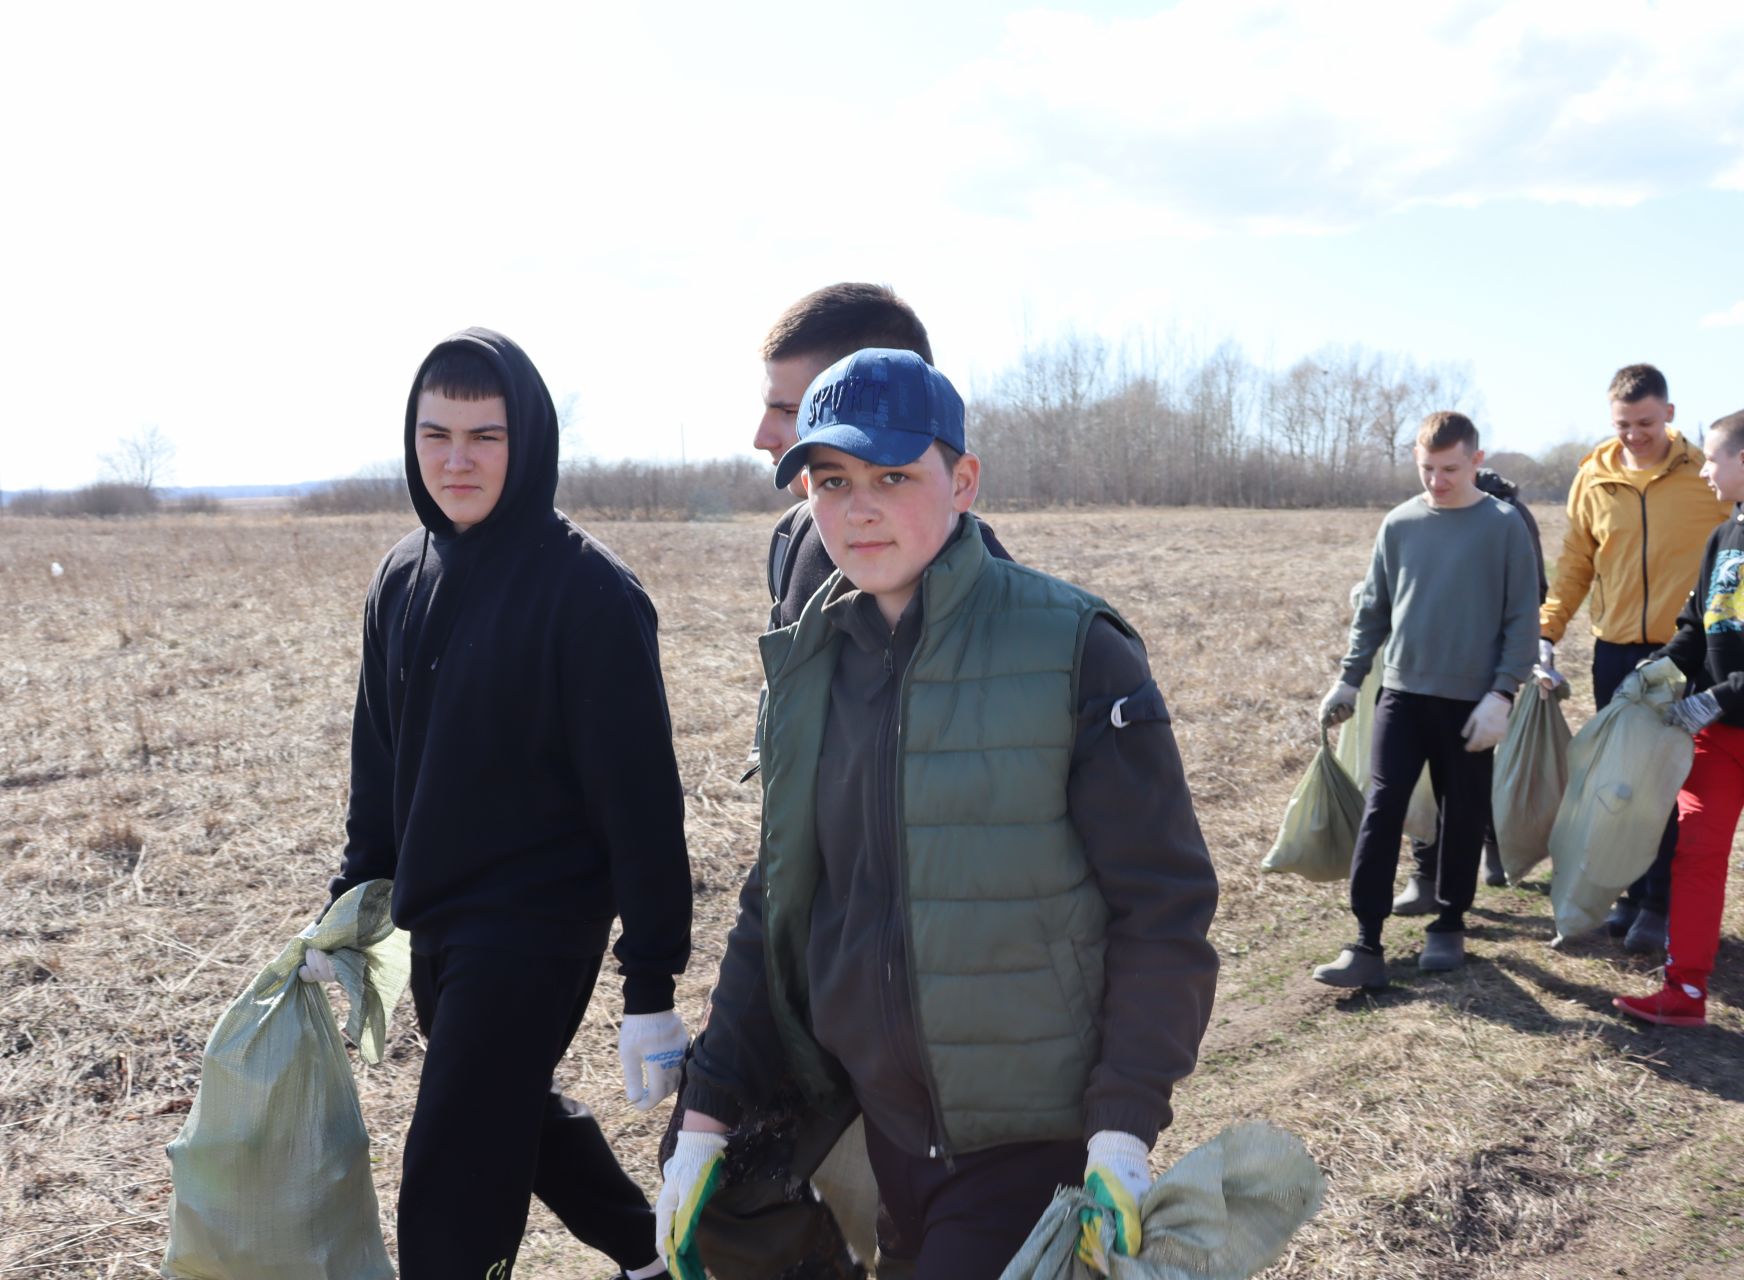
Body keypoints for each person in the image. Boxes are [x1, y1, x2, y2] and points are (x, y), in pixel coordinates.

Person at [658, 349, 1220, 1278]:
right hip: (885, 1139)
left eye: (891, 477)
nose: (858, 508)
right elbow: (781, 902)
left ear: (962, 481)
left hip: (1031, 1146)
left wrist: (1123, 1127)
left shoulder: (1077, 650)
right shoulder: (811, 670)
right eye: (830, 481)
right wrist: (705, 1118)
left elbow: (1162, 906)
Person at [304, 329, 693, 1279]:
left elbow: (643, 801)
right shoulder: (403, 574)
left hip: (538, 925)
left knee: (452, 1168)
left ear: (530, 442)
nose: (456, 460)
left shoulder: (588, 593)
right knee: (506, 1106)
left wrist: (651, 985)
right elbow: (381, 756)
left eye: (485, 435)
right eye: (435, 435)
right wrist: (352, 899)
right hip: (439, 915)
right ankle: (655, 1257)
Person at [665, 282, 1013, 1280]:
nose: (763, 429)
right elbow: (793, 843)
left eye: (788, 404)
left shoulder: (1001, 620)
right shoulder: (800, 543)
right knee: (724, 1186)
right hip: (820, 957)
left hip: (944, 1017)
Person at [1315, 411, 1540, 988]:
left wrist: (1503, 693)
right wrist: (1348, 678)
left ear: (1476, 461)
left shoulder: (1503, 524)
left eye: (1450, 469)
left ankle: (1450, 922)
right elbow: (1374, 611)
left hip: (1471, 702)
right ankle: (1366, 942)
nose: (1437, 481)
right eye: (1427, 469)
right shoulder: (1399, 524)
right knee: (1382, 808)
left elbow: (1521, 619)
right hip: (1403, 694)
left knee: (1463, 811)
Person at [1538, 364, 1728, 951]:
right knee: (1619, 783)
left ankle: (1661, 904)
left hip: (1685, 652)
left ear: (1669, 414)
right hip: (1615, 649)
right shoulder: (1592, 477)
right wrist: (1547, 629)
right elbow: (1575, 561)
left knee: (1668, 780)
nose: (1634, 434)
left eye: (1645, 421)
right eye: (1623, 423)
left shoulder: (1708, 473)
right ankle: (1628, 892)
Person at [1614, 408, 1744, 1027]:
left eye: (1714, 458)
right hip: (1719, 739)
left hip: (1721, 710)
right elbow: (1694, 631)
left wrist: (1720, 695)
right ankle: (1685, 991)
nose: (1706, 471)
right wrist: (1652, 677)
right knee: (1696, 854)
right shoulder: (1723, 538)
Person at [1393, 463, 1551, 910]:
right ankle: (1425, 874)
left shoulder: (1510, 517)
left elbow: (1531, 594)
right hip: (1423, 672)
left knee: (1469, 769)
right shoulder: (1426, 511)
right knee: (1425, 776)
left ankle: (1492, 846)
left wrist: (1506, 674)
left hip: (1485, 676)